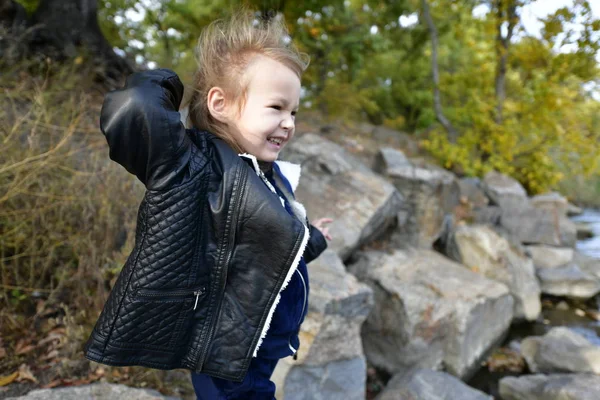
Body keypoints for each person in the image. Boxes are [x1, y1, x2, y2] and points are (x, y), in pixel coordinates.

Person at [84, 10, 333, 400]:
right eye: (276, 107)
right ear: (220, 104)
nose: (289, 122)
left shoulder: (267, 174)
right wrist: (170, 82)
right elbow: (134, 107)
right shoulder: (193, 165)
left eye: (293, 111)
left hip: (260, 342)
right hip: (223, 349)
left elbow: (261, 246)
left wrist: (313, 238)